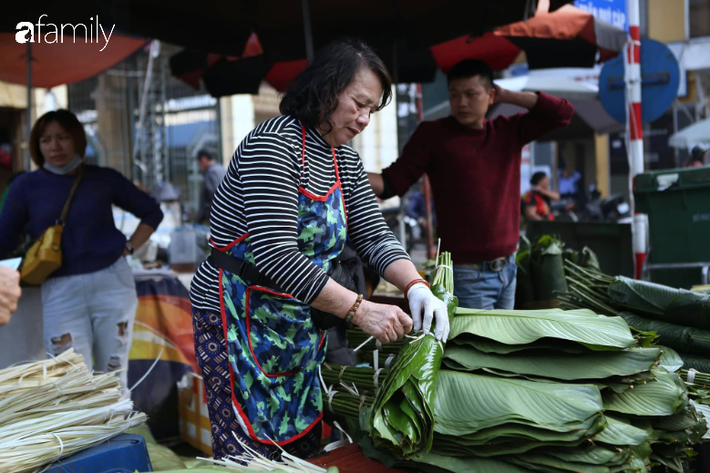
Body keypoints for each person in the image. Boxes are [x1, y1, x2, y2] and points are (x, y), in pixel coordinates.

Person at [189, 38, 450, 460]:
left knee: (301, 451)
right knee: (249, 456)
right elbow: (276, 254)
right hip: (237, 317)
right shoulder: (271, 145)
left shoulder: (341, 156)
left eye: (373, 110)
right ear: (327, 89)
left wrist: (417, 285)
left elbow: (372, 233)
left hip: (295, 321)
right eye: (359, 103)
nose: (365, 119)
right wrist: (362, 310)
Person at [368, 59, 574, 310]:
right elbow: (392, 183)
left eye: (471, 94)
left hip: (508, 270)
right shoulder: (433, 134)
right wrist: (346, 171)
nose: (462, 102)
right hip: (467, 275)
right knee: (480, 349)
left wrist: (507, 95)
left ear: (490, 95)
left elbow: (562, 113)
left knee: (502, 348)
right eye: (454, 95)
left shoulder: (508, 131)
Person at [0, 109, 163, 387]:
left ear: (77, 139)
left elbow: (152, 212)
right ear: (38, 146)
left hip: (113, 282)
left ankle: (118, 431)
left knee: (114, 376)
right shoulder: (25, 186)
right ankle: (87, 433)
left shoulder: (103, 178)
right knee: (70, 381)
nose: (55, 146)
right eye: (46, 140)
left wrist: (129, 248)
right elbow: (4, 240)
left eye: (62, 137)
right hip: (59, 290)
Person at [195, 148, 227, 223]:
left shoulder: (211, 172)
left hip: (217, 218)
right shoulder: (222, 169)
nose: (200, 166)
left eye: (199, 163)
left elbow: (214, 195)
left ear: (204, 160)